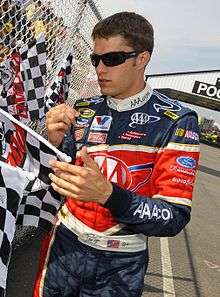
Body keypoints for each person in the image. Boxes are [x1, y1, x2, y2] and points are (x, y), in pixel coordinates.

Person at [33, 11, 200, 297]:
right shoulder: (84, 109)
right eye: (96, 59)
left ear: (141, 59)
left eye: (112, 59)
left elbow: (173, 217)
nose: (100, 69)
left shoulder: (176, 120)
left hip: (120, 262)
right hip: (63, 244)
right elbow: (52, 181)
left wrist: (108, 194)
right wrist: (54, 143)